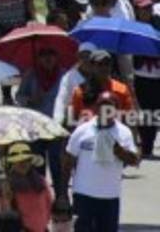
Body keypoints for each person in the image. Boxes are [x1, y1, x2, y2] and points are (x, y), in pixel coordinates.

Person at [62, 93, 139, 231]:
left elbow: (134, 161)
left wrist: (120, 151)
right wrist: (62, 195)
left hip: (110, 196)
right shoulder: (82, 130)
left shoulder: (124, 132)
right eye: (102, 105)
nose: (105, 110)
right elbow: (67, 162)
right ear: (95, 108)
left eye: (109, 106)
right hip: (83, 195)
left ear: (116, 109)